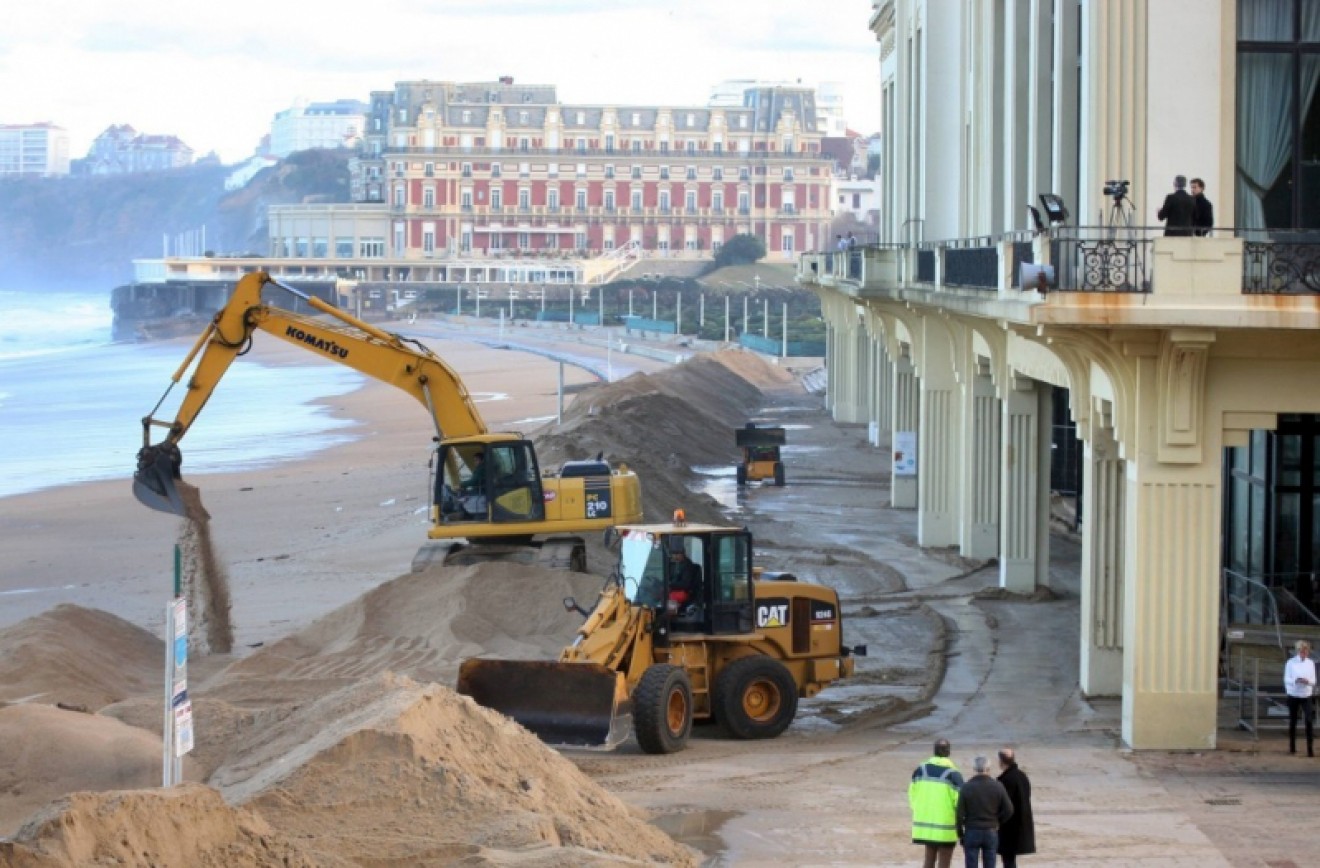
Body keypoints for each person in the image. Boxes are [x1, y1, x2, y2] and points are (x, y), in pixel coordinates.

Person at [910, 738, 964, 868]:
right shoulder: (954, 774)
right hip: (946, 828)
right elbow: (961, 802)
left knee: (929, 860)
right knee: (944, 862)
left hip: (925, 826)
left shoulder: (920, 770)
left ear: (934, 751)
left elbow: (912, 795)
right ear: (948, 752)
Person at [956, 755, 1014, 868]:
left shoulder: (966, 787)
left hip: (972, 830)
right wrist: (998, 821)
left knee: (971, 864)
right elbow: (1009, 809)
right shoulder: (998, 786)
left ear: (974, 769)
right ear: (988, 768)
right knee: (990, 863)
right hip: (991, 830)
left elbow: (959, 814)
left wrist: (960, 833)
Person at [996, 748, 1035, 868]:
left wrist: (997, 819)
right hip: (1022, 823)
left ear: (1001, 762)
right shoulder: (1022, 776)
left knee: (1008, 859)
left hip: (1009, 825)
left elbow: (1003, 804)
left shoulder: (1005, 780)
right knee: (1009, 859)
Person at [1285, 639, 1316, 756]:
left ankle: (1310, 748)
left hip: (1306, 694)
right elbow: (1286, 679)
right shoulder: (1290, 663)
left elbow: (1313, 680)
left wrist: (1307, 681)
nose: (1305, 653)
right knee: (1293, 720)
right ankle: (1292, 746)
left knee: (1309, 720)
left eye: (1306, 651)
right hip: (1293, 694)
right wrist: (1296, 680)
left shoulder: (1310, 663)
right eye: (1302, 651)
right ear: (1298, 651)